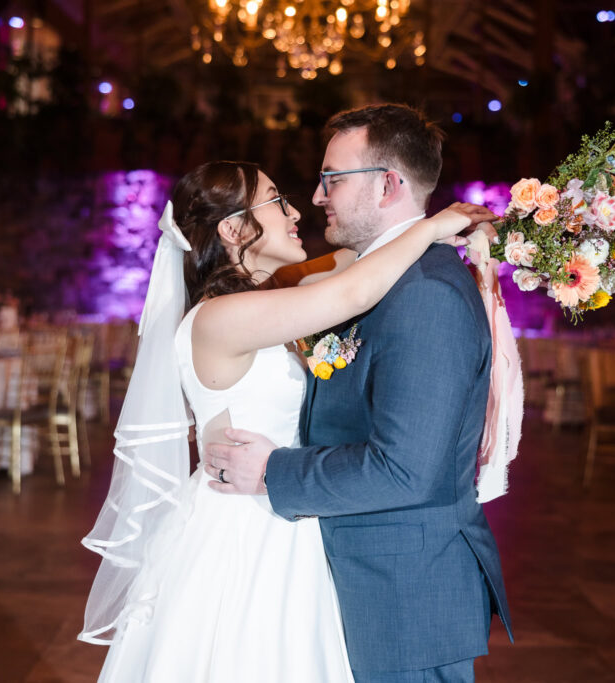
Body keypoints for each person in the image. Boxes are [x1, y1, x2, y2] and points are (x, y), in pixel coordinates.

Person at [79, 158, 496, 682]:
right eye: (276, 201)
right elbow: (353, 290)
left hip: (283, 508)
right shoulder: (220, 317)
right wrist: (437, 225)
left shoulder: (266, 298)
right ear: (233, 228)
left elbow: (356, 259)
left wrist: (435, 230)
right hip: (247, 527)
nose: (296, 210)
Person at [206, 104, 513, 682]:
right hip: (359, 580)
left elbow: (405, 470)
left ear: (388, 184)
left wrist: (272, 472)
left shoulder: (426, 293)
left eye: (332, 179)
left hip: (403, 601)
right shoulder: (378, 278)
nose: (317, 197)